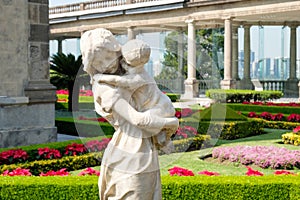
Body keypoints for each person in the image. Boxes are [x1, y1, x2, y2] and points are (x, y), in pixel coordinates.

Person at [80, 28, 179, 200]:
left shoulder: (131, 69)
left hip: (142, 148)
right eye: (99, 62)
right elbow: (137, 119)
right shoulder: (104, 87)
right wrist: (171, 124)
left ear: (116, 50)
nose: (106, 64)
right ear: (92, 66)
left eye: (108, 56)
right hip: (130, 150)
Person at [94, 39, 176, 153]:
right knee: (152, 130)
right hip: (158, 105)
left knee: (143, 121)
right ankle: (164, 138)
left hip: (161, 106)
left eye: (126, 63)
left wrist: (101, 77)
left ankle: (171, 124)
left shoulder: (139, 78)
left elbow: (119, 80)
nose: (122, 64)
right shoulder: (139, 72)